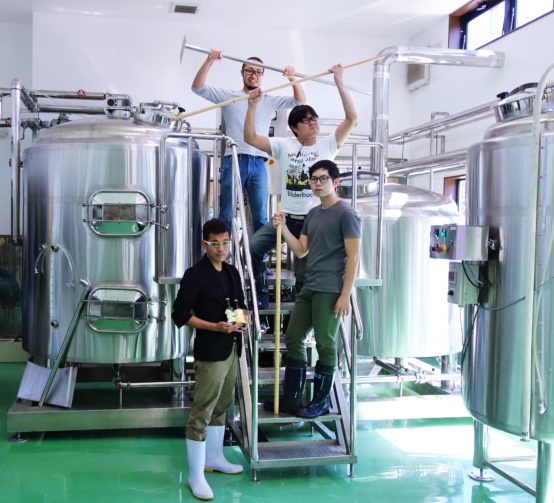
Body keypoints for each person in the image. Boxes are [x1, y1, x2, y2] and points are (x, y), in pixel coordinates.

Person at [244, 64, 357, 308]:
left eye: (314, 118)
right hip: (285, 219)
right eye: (306, 121)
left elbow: (352, 119)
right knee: (253, 246)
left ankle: (299, 315)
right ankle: (260, 294)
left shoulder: (327, 146)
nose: (313, 123)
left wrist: (339, 82)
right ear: (295, 128)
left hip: (312, 221)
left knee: (303, 274)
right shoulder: (284, 145)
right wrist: (252, 106)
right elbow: (250, 138)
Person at [268, 160, 361, 419]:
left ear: (336, 182)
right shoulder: (313, 213)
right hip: (309, 285)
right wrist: (282, 227)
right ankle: (293, 399)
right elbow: (301, 250)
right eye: (313, 179)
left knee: (325, 343)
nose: (317, 183)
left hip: (330, 289)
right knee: (293, 337)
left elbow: (354, 257)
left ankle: (321, 402)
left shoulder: (347, 214)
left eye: (323, 178)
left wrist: (345, 294)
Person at [172, 218, 247, 501]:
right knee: (202, 410)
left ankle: (214, 458)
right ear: (204, 244)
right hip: (211, 351)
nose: (221, 249)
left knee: (223, 405)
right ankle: (196, 475)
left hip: (232, 348)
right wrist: (214, 327)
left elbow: (240, 305)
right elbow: (180, 314)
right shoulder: (195, 274)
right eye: (215, 244)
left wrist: (242, 321)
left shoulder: (232, 272)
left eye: (225, 243)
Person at [191, 49, 306, 233]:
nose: (254, 75)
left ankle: (259, 252)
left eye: (258, 72)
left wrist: (292, 78)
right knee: (226, 214)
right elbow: (198, 87)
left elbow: (300, 101)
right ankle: (226, 251)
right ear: (242, 72)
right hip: (234, 159)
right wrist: (209, 60)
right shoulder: (230, 96)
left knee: (261, 217)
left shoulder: (269, 99)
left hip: (259, 162)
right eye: (250, 70)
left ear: (262, 75)